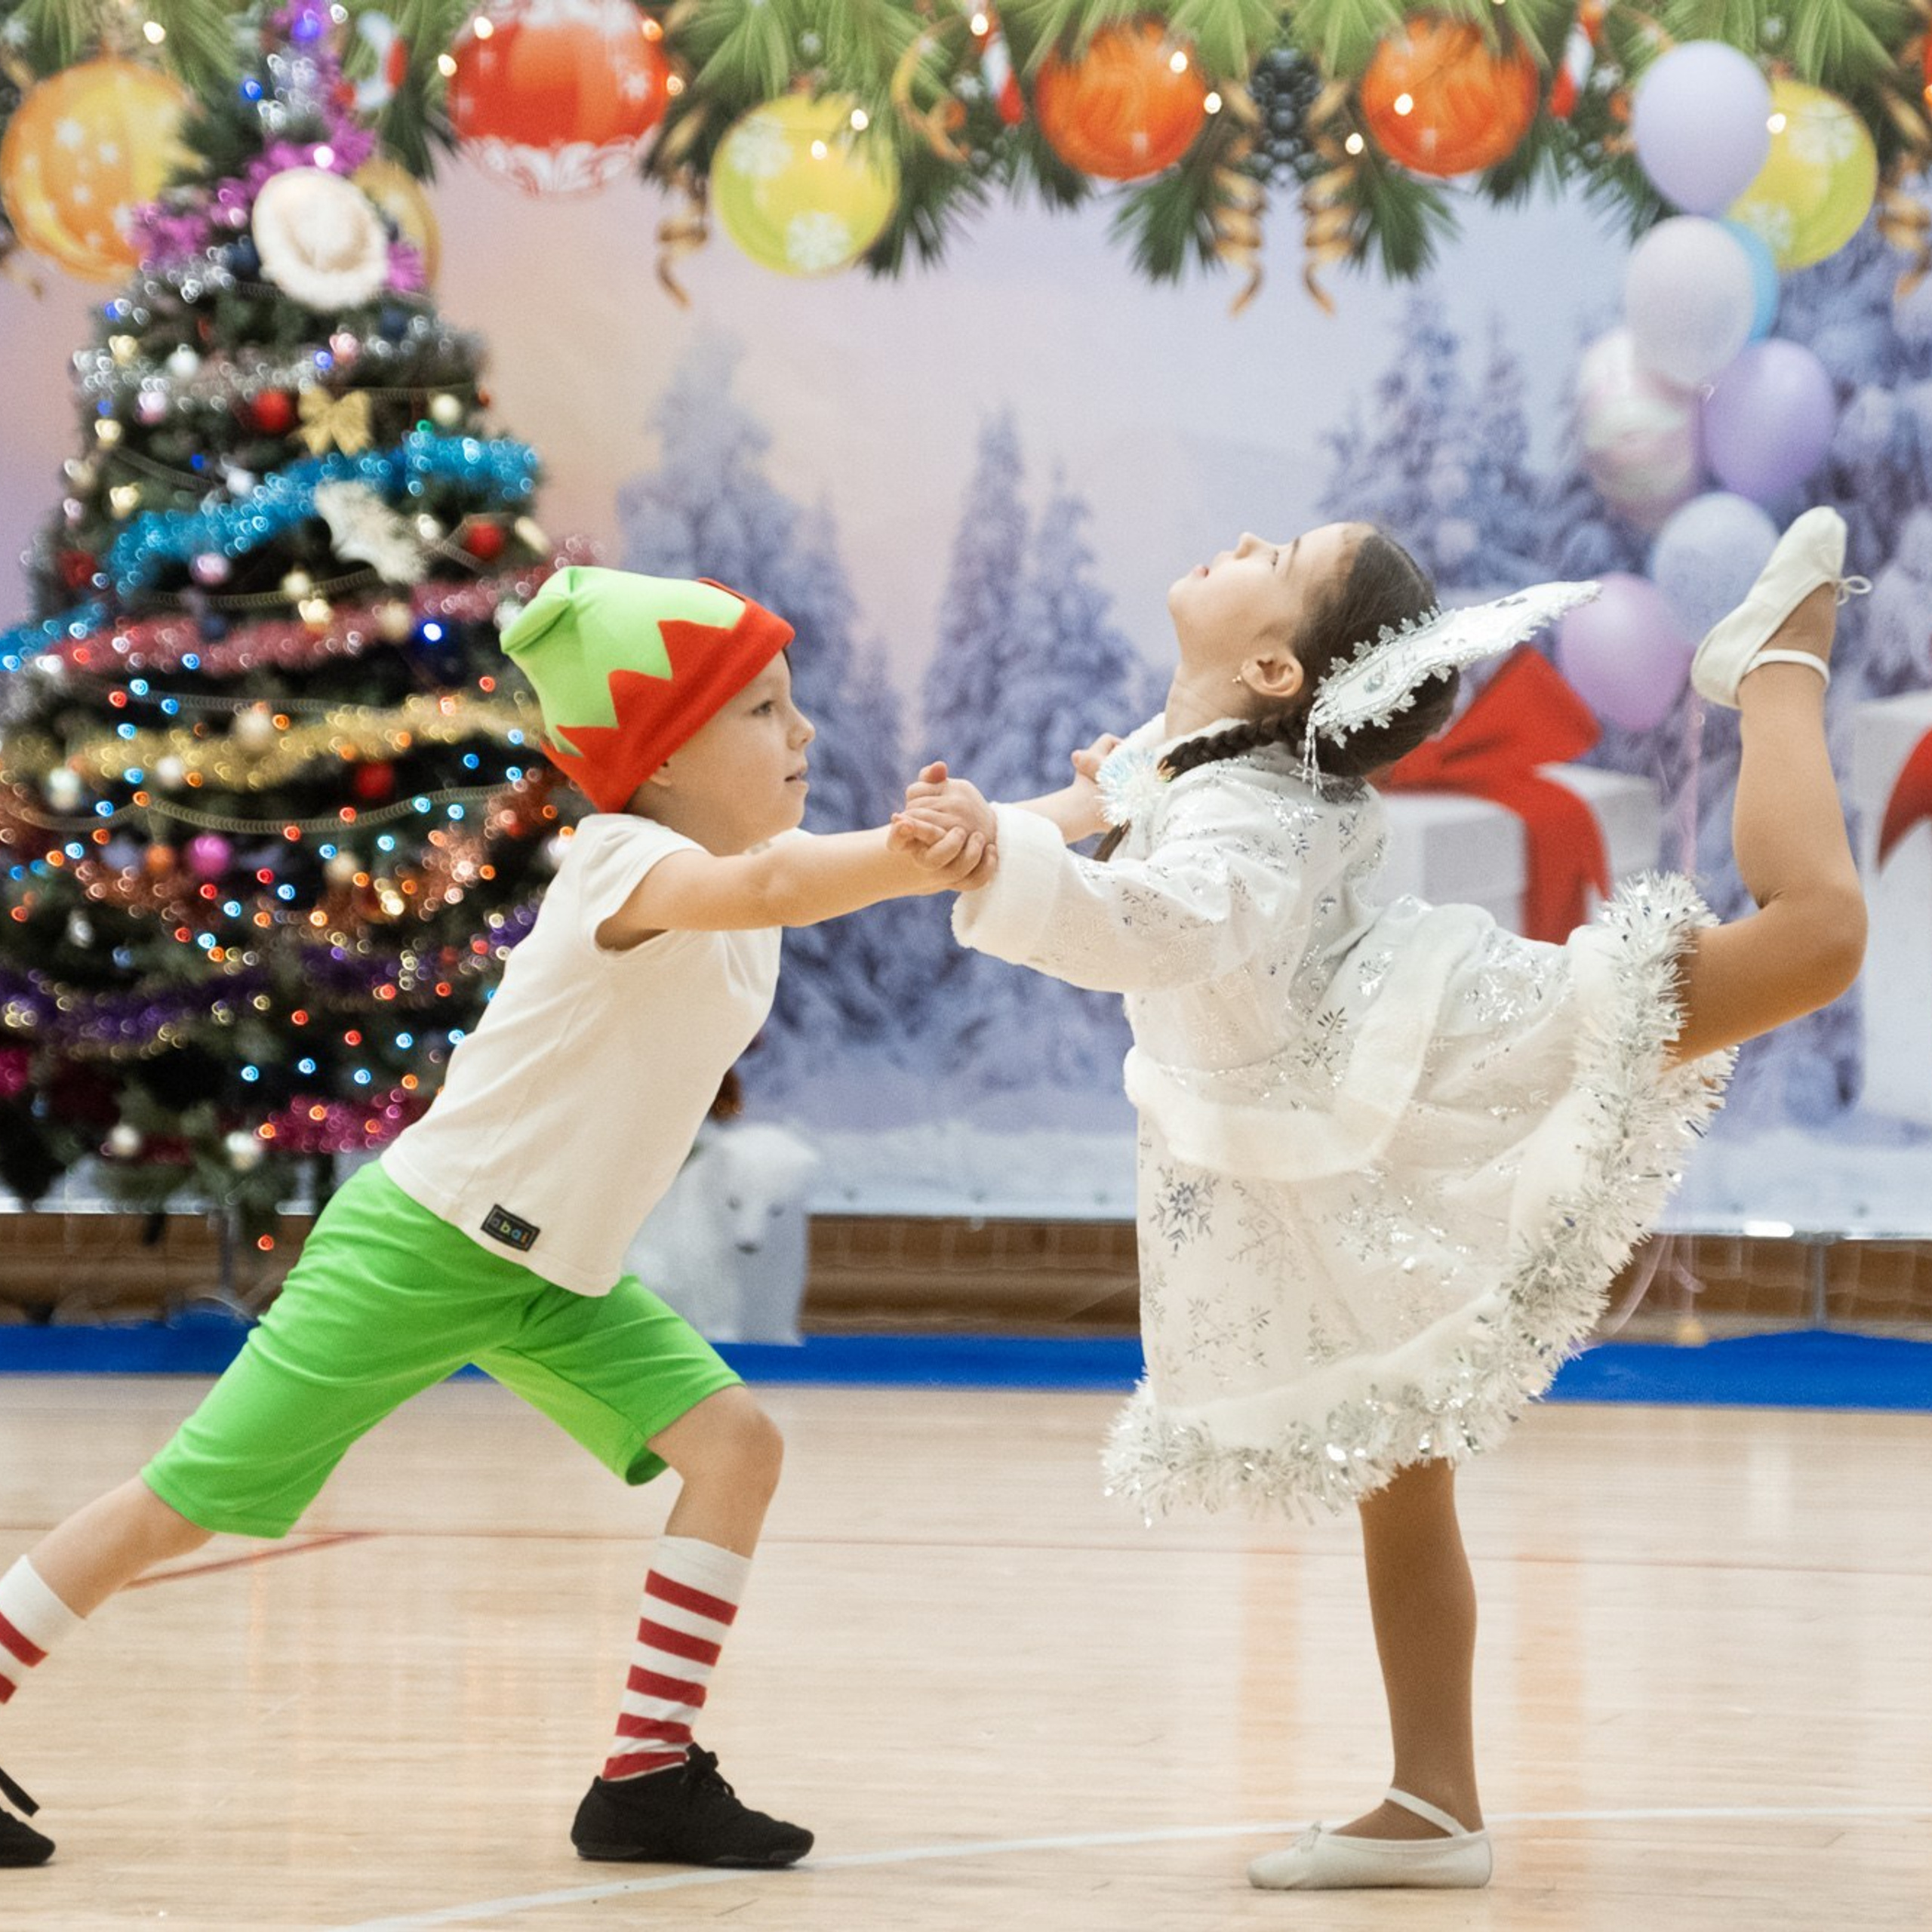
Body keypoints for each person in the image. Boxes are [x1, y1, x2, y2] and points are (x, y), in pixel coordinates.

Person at [894, 509, 1866, 1891]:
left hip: (1435, 1063)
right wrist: (999, 829)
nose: (1238, 540)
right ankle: (1433, 1802)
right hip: (1330, 1135)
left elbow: (1155, 924)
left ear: (1284, 672)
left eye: (1274, 556)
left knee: (1817, 936)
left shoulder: (1256, 819)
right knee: (1398, 1464)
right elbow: (1115, 804)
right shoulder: (1214, 764)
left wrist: (1001, 866)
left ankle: (1780, 659)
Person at [0, 566, 994, 1872]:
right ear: (666, 756)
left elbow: (791, 880)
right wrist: (918, 851)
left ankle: (645, 1781)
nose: (801, 735)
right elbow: (775, 891)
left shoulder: (734, 867)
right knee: (185, 1504)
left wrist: (1044, 821)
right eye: (762, 712)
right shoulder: (622, 856)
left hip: (551, 1272)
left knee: (737, 1450)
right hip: (425, 1244)